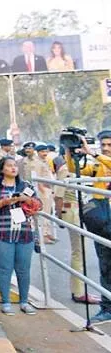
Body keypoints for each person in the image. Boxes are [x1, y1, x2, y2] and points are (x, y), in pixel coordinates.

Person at [0, 157, 42, 315]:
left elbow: (38, 204)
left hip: (25, 233)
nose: (13, 168)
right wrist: (4, 202)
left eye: (15, 165)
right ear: (2, 169)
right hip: (2, 232)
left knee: (24, 269)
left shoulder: (26, 186)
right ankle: (6, 302)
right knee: (5, 268)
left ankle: (24, 301)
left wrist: (26, 200)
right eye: (9, 166)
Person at [66, 131, 111, 325]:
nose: (106, 148)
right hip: (102, 216)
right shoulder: (97, 165)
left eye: (110, 145)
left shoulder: (99, 159)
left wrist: (93, 153)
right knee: (106, 264)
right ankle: (107, 307)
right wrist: (69, 149)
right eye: (104, 145)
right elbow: (72, 168)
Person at [54, 159, 101, 304]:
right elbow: (59, 195)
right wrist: (59, 214)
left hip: (87, 208)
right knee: (79, 252)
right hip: (73, 211)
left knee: (82, 252)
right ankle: (79, 292)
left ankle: (79, 290)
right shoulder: (65, 168)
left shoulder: (88, 165)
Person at [31, 144, 57, 244]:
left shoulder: (45, 161)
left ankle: (48, 233)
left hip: (48, 188)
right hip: (43, 190)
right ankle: (44, 235)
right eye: (42, 152)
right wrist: (42, 191)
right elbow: (38, 178)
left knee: (49, 212)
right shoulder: (37, 162)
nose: (45, 153)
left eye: (46, 151)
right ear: (38, 152)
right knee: (44, 213)